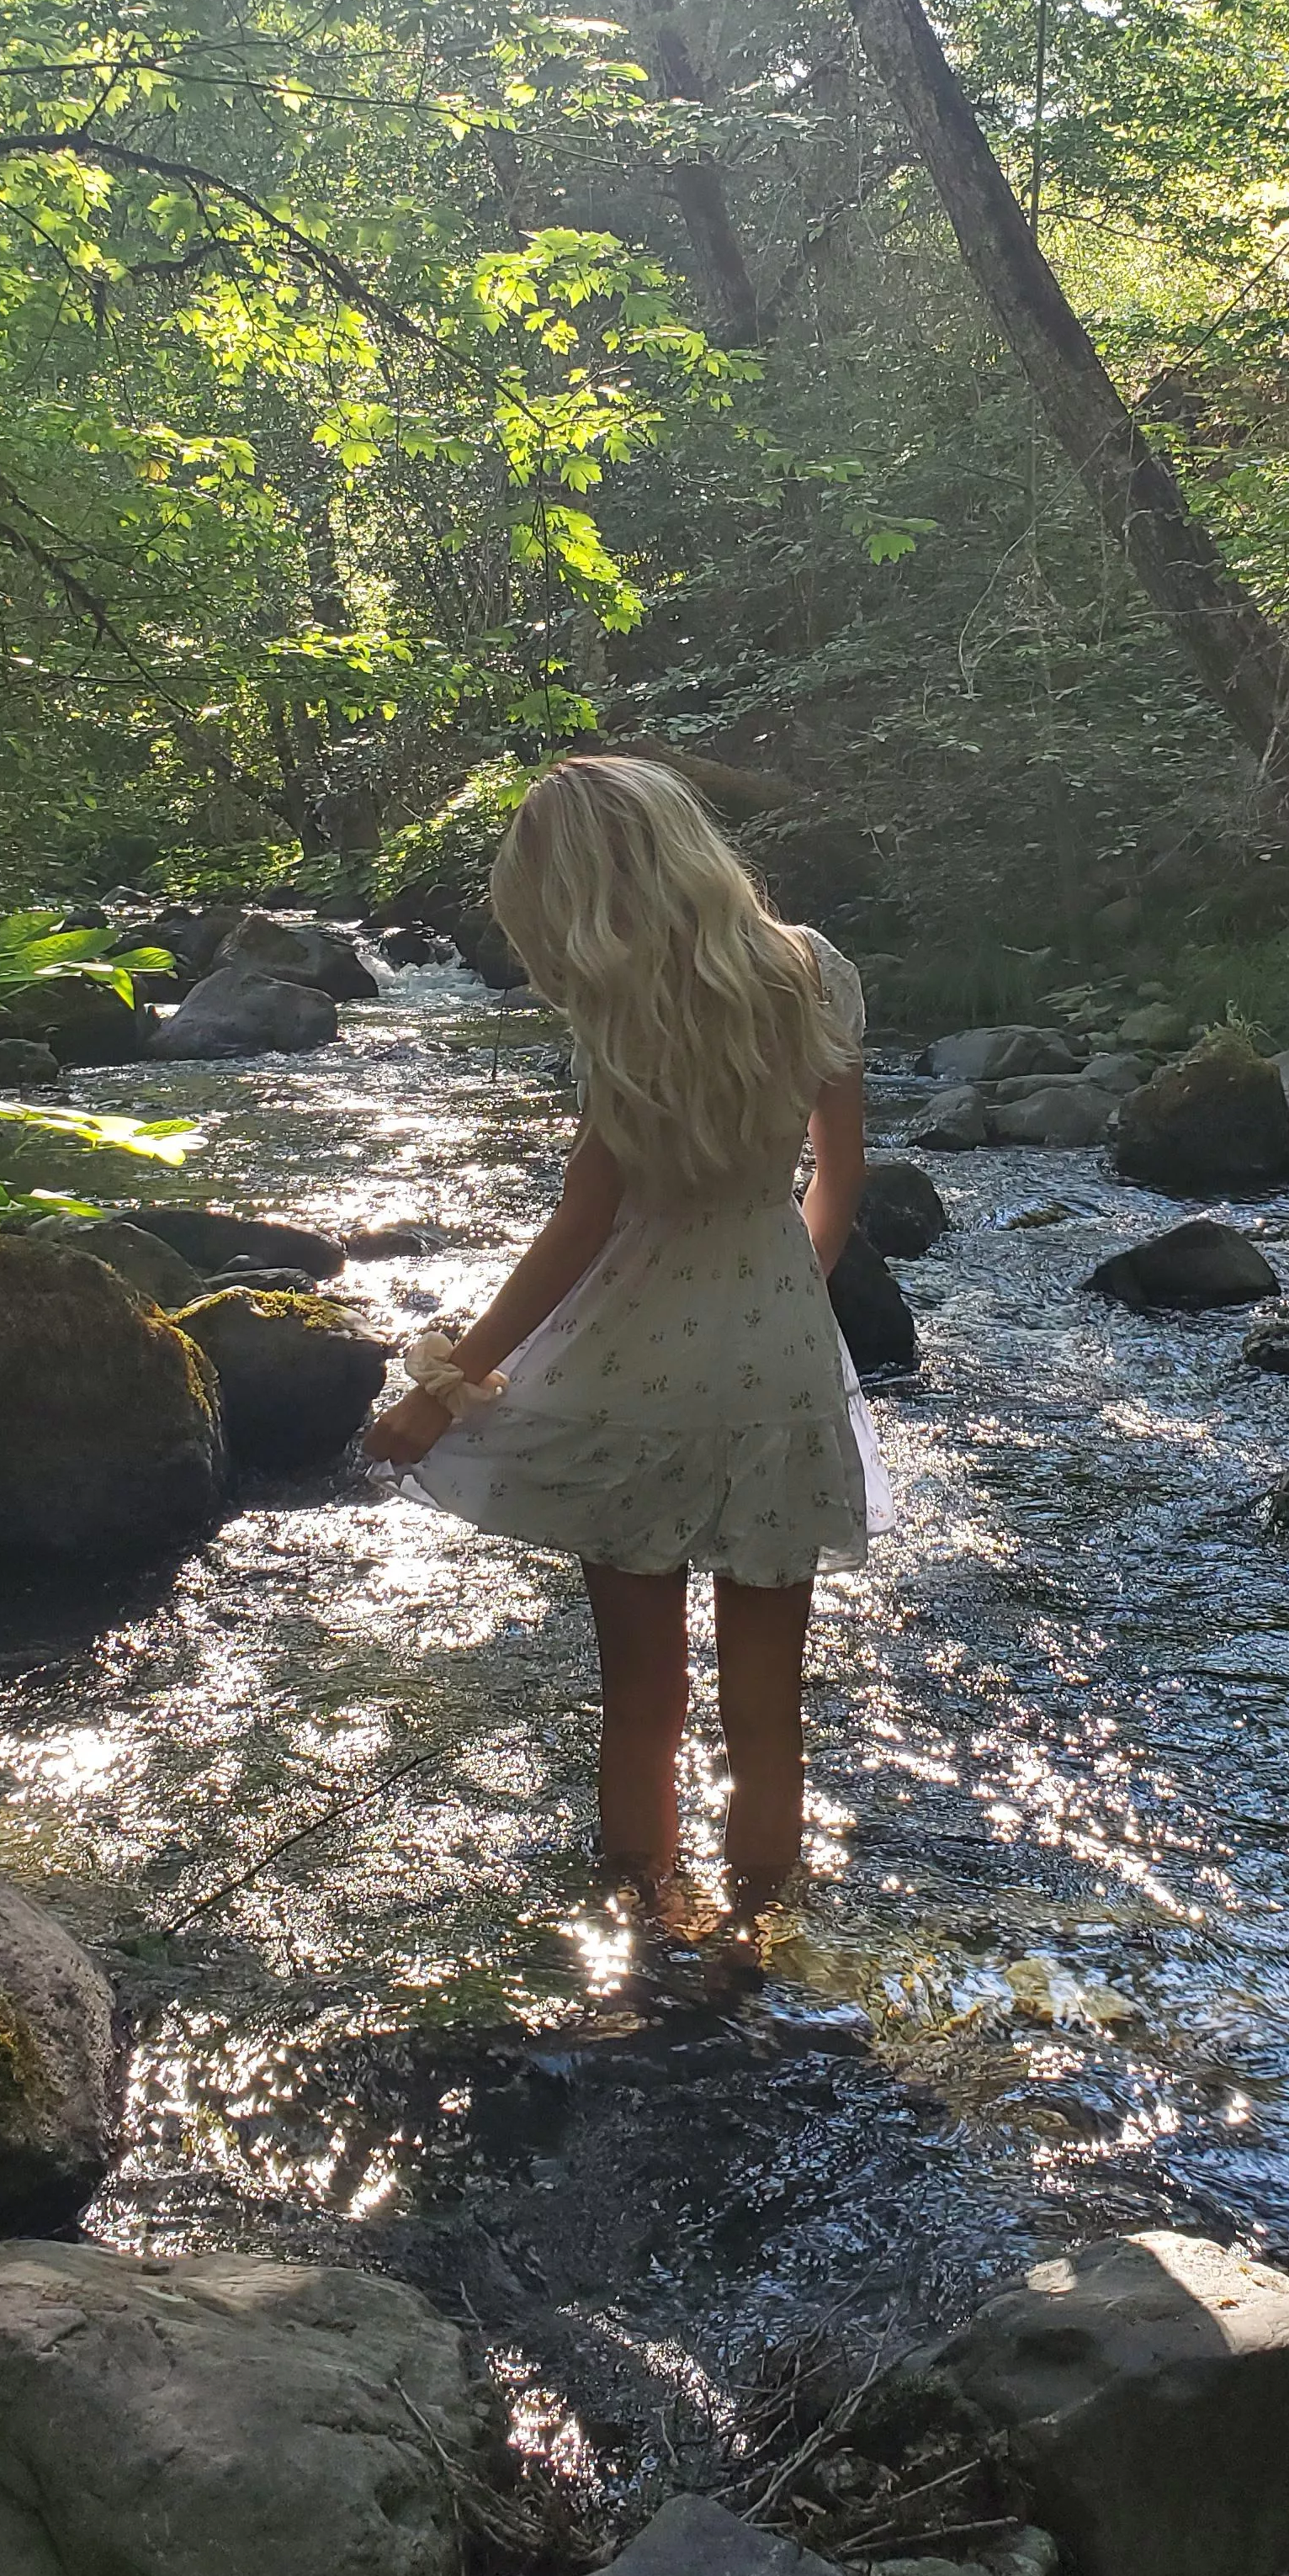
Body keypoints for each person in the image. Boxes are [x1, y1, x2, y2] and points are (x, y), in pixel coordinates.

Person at [363, 753, 888, 1927]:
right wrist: (782, 1296)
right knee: (768, 1709)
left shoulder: (623, 1018)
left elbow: (581, 1229)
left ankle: (647, 1927)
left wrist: (447, 1388)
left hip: (633, 1363)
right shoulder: (814, 973)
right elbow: (839, 1181)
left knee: (641, 1701)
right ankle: (755, 1939)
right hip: (782, 1352)